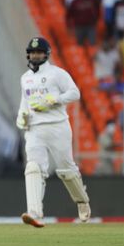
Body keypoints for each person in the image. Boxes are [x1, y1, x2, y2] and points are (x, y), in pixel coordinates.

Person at [16, 37, 91, 228]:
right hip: (34, 129)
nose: (36, 55)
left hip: (58, 126)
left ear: (46, 54)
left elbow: (75, 93)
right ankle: (35, 213)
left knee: (66, 170)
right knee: (33, 168)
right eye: (33, 53)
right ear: (28, 54)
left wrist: (53, 99)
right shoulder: (25, 78)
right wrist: (21, 116)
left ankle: (82, 202)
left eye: (39, 52)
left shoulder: (57, 74)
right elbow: (25, 103)